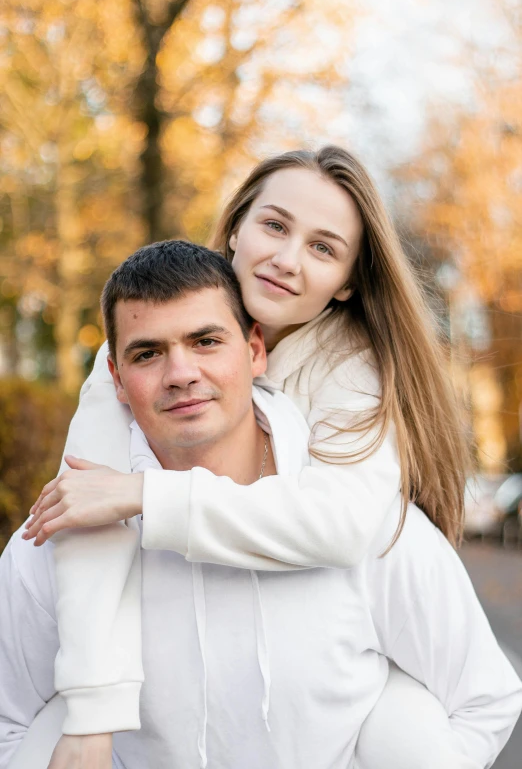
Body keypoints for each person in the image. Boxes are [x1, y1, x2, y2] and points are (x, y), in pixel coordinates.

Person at [23, 147, 474, 760]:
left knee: (406, 721)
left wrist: (145, 495)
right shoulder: (132, 352)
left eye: (323, 247)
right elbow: (85, 517)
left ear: (347, 284)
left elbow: (343, 527)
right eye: (275, 226)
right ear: (236, 225)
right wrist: (90, 719)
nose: (286, 260)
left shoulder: (352, 373)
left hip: (342, 682)